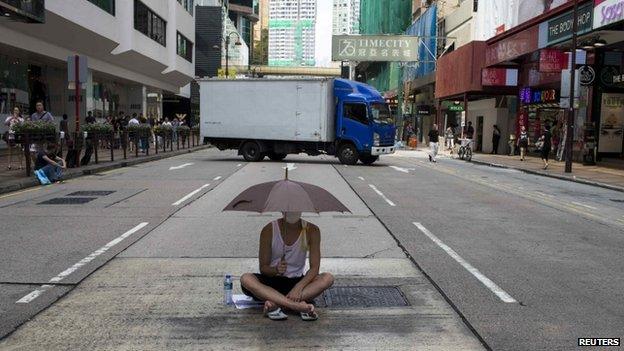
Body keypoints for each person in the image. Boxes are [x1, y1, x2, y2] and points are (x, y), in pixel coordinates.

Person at [240, 212, 334, 321]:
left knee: (327, 278)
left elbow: (314, 268)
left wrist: (298, 288)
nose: (292, 211)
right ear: (282, 210)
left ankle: (277, 304)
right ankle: (296, 306)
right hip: (271, 283)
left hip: (297, 283)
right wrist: (275, 270)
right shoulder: (269, 230)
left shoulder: (312, 230)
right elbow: (264, 268)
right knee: (246, 279)